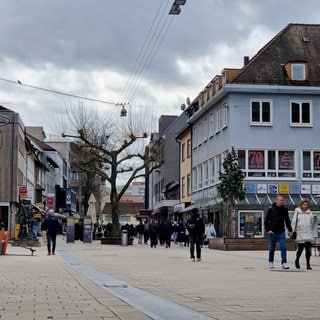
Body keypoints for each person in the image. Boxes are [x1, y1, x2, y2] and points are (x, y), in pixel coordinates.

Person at [265, 196, 293, 269]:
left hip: (281, 231)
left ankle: (284, 263)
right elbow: (266, 220)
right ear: (276, 200)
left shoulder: (284, 209)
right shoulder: (270, 209)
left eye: (283, 200)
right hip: (272, 232)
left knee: (283, 247)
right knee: (272, 248)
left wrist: (290, 230)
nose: (282, 202)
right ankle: (271, 262)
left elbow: (287, 220)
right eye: (280, 200)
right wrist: (268, 230)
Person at [292, 201, 314, 270]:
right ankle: (297, 260)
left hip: (308, 233)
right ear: (301, 205)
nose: (306, 206)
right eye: (304, 204)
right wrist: (292, 231)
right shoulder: (297, 212)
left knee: (308, 250)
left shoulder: (310, 213)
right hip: (300, 233)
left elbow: (312, 224)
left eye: (307, 204)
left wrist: (314, 221)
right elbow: (293, 222)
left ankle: (308, 264)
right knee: (300, 249)